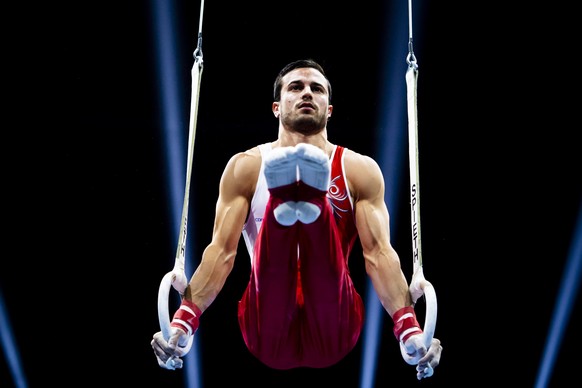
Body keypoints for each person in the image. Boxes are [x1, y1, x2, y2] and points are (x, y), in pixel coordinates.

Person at [151, 59, 443, 380]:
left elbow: (379, 255)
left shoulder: (359, 169)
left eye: (317, 89)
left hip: (334, 323)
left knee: (326, 268)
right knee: (271, 270)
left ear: (328, 109)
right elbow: (221, 253)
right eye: (296, 87)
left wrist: (408, 326)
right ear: (277, 107)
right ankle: (294, 196)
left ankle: (299, 198)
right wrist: (184, 318)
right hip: (267, 326)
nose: (307, 93)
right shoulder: (246, 166)